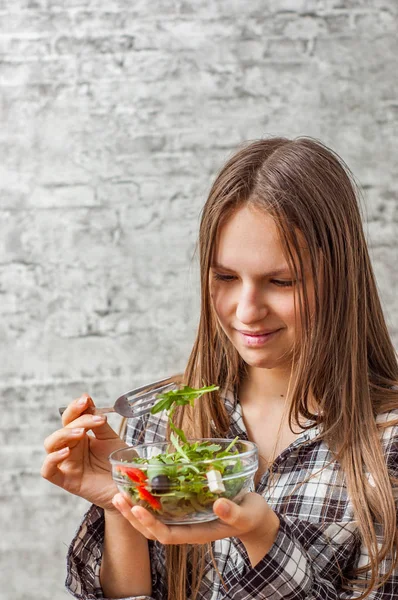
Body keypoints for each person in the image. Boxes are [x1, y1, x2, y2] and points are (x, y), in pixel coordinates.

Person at [41, 137, 398, 600]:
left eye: (281, 281)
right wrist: (121, 502)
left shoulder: (386, 445)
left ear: (340, 277)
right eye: (225, 277)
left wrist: (263, 537)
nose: (246, 310)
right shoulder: (160, 422)